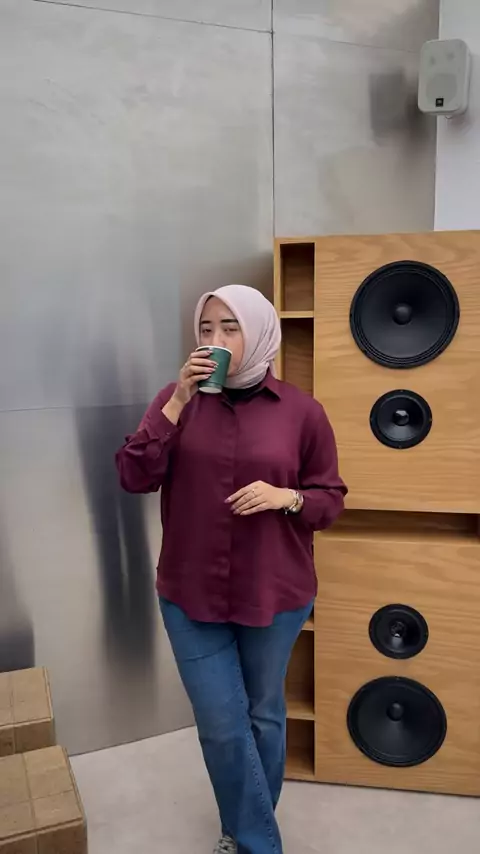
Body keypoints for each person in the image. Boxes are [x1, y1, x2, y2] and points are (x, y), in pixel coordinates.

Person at [116, 284, 347, 854]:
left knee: (263, 714)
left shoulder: (302, 412)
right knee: (222, 724)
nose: (215, 339)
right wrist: (176, 402)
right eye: (206, 328)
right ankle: (258, 842)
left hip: (275, 590)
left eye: (230, 327)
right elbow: (134, 476)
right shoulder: (176, 400)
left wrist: (286, 497)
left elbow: (330, 500)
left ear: (260, 331)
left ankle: (241, 828)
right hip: (189, 592)